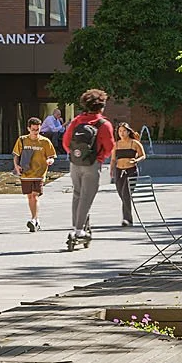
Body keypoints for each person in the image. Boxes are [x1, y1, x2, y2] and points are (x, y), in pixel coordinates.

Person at [59, 91, 116, 250]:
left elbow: (65, 142)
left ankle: (77, 227)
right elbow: (110, 148)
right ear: (102, 107)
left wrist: (75, 155)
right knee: (86, 197)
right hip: (92, 165)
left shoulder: (77, 121)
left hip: (75, 164)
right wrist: (99, 157)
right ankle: (78, 231)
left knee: (77, 195)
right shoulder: (104, 124)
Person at [12, 122, 54, 233]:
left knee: (35, 196)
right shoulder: (22, 140)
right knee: (30, 196)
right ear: (28, 129)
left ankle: (34, 219)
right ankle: (36, 219)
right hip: (26, 174)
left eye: (38, 130)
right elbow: (16, 155)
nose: (36, 132)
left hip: (39, 173)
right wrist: (16, 167)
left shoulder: (45, 141)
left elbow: (51, 156)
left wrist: (50, 160)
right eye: (33, 129)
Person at [111, 124, 147, 226]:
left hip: (131, 171)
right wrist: (111, 170)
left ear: (128, 132)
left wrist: (136, 160)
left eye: (124, 131)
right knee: (121, 194)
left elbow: (143, 155)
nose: (122, 133)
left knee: (126, 194)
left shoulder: (134, 143)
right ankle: (127, 217)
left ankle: (127, 219)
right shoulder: (116, 144)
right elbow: (113, 159)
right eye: (120, 131)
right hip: (119, 171)